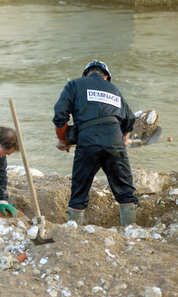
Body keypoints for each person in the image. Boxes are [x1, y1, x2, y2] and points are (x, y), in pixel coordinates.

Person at [52, 60, 139, 226]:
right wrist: (124, 139)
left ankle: (74, 230)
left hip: (87, 139)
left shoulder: (74, 85)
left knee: (79, 189)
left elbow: (60, 116)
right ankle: (130, 231)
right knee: (126, 191)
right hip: (114, 139)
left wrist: (63, 139)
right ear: (106, 76)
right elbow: (129, 121)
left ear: (86, 74)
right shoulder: (114, 90)